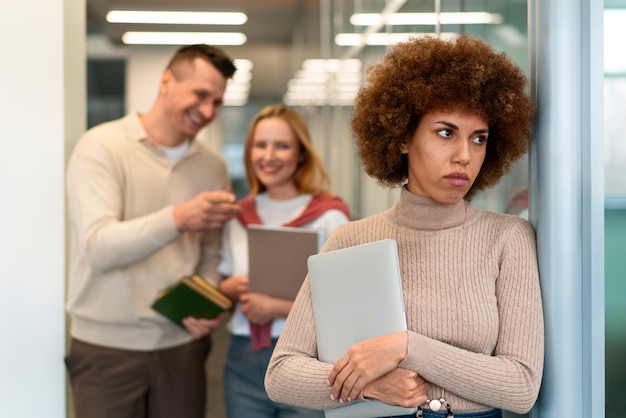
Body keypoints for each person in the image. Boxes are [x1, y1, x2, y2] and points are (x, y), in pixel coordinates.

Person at [265, 35, 544, 418]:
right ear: (401, 137)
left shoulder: (507, 237)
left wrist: (408, 347)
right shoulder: (350, 240)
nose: (464, 155)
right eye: (446, 133)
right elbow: (281, 374)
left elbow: (522, 385)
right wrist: (367, 386)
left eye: (478, 138)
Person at [65, 44, 242, 418]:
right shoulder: (101, 147)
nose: (208, 111)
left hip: (182, 346)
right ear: (167, 81)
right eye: (200, 94)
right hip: (106, 349)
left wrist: (207, 304)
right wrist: (177, 218)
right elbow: (98, 248)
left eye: (217, 102)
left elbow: (211, 253)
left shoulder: (211, 167)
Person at [218, 104, 351, 418]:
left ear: (301, 154)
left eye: (282, 146)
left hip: (309, 357)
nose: (269, 155)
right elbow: (222, 281)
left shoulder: (330, 217)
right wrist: (230, 287)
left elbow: (345, 302)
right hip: (244, 357)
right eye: (260, 145)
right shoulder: (238, 217)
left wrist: (275, 308)